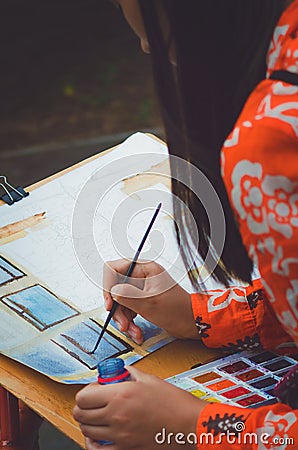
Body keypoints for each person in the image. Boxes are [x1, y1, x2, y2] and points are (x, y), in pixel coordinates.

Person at [73, 1, 298, 448]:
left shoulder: (269, 150)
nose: (144, 46)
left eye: (153, 36)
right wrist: (203, 317)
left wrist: (195, 425)